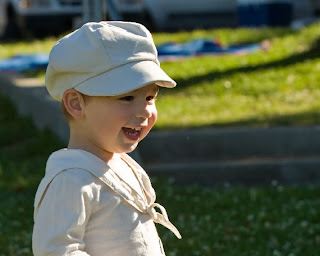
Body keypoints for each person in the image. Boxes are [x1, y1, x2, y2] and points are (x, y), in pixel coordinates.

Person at [32, 21, 181, 256]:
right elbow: (56, 250)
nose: (144, 111)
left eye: (150, 98)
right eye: (127, 98)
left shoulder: (121, 163)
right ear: (76, 104)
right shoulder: (71, 180)